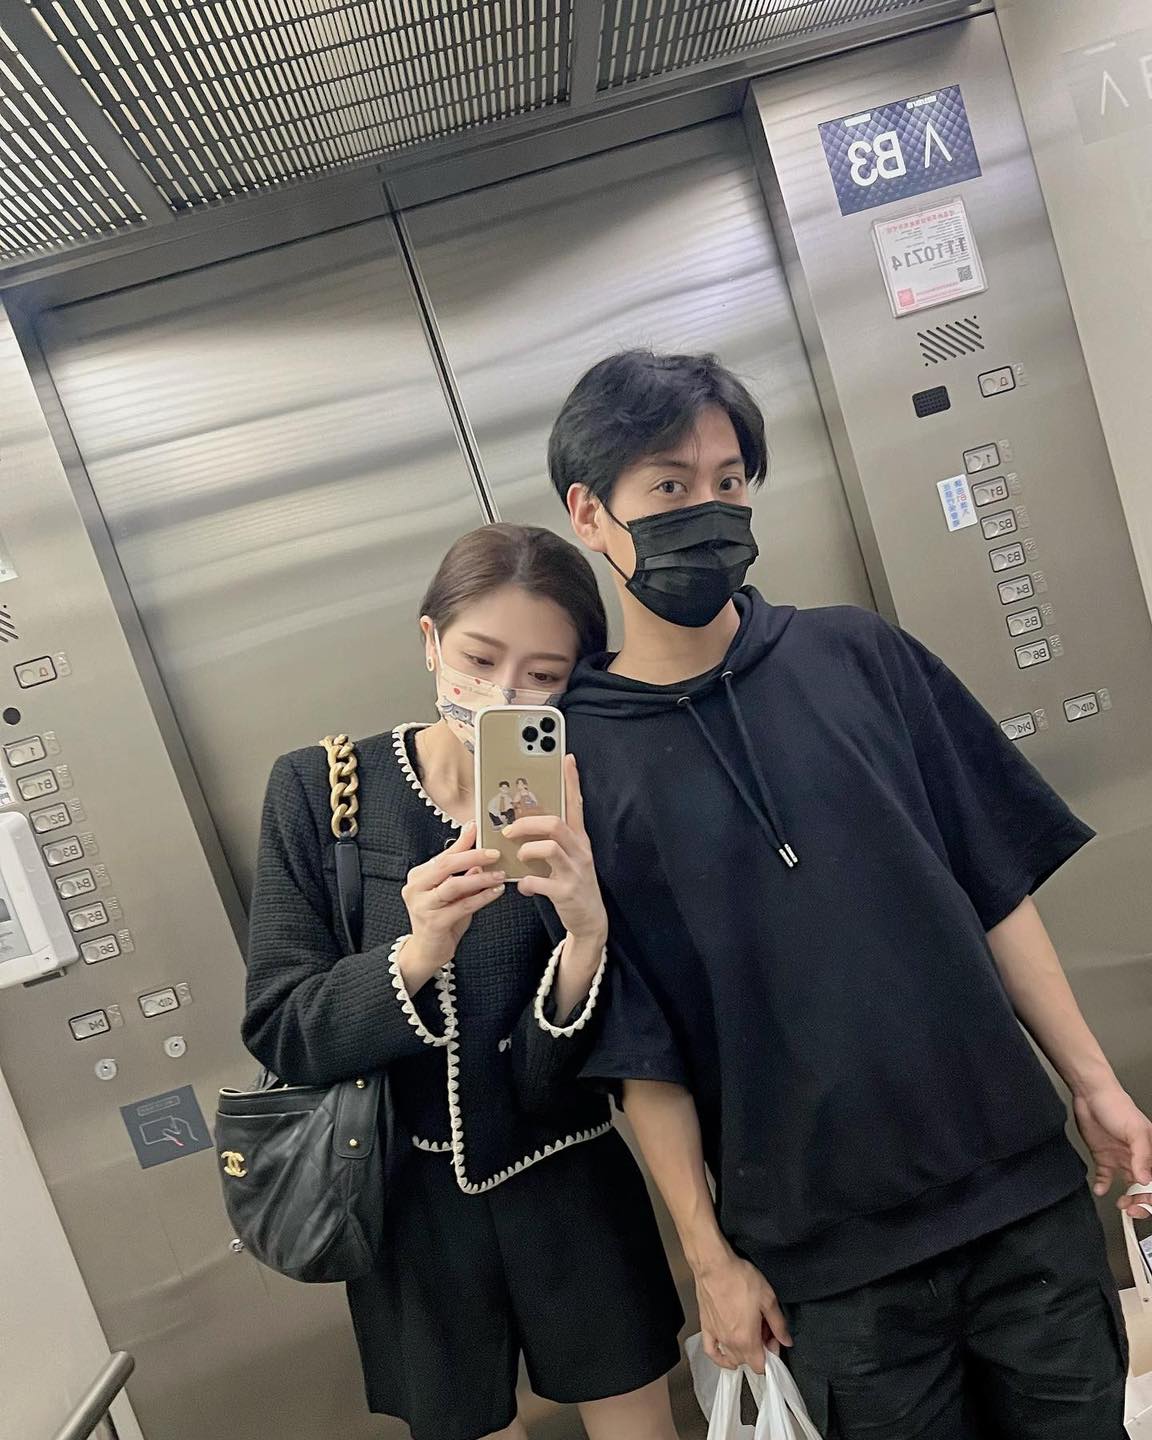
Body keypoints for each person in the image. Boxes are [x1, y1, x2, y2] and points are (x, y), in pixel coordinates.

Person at [544, 349, 1152, 1439]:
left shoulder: (858, 655)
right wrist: (709, 1257)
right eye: (670, 486)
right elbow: (641, 1051)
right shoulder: (576, 766)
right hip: (828, 1268)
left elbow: (994, 886)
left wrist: (1095, 1084)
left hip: (1021, 1201)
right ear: (591, 514)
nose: (709, 510)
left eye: (730, 480)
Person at [242, 523, 683, 1440]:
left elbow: (619, 1048)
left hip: (572, 1184)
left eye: (542, 675)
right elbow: (282, 1026)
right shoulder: (323, 789)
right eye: (480, 659)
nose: (503, 693)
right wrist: (416, 953)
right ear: (431, 641)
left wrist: (587, 934)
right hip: (404, 1209)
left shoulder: (588, 794)